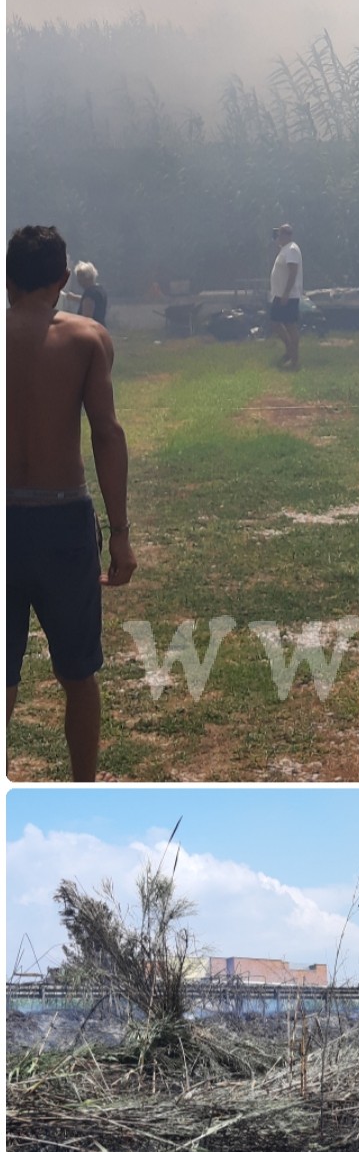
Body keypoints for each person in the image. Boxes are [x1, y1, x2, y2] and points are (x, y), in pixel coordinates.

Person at [6, 224, 135, 781]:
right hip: (62, 522)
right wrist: (122, 533)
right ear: (63, 278)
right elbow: (106, 434)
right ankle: (84, 785)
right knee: (79, 676)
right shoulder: (86, 339)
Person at [269, 223, 302, 370]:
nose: (278, 238)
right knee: (277, 323)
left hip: (287, 295)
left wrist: (286, 293)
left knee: (288, 325)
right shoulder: (285, 250)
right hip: (279, 294)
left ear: (287, 235)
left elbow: (293, 272)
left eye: (280, 235)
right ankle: (289, 350)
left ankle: (293, 356)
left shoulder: (292, 250)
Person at [72, 261, 109, 325]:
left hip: (90, 331)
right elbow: (90, 301)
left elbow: (86, 318)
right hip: (101, 328)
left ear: (88, 277)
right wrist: (73, 297)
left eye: (80, 278)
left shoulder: (89, 293)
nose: (78, 281)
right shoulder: (100, 290)